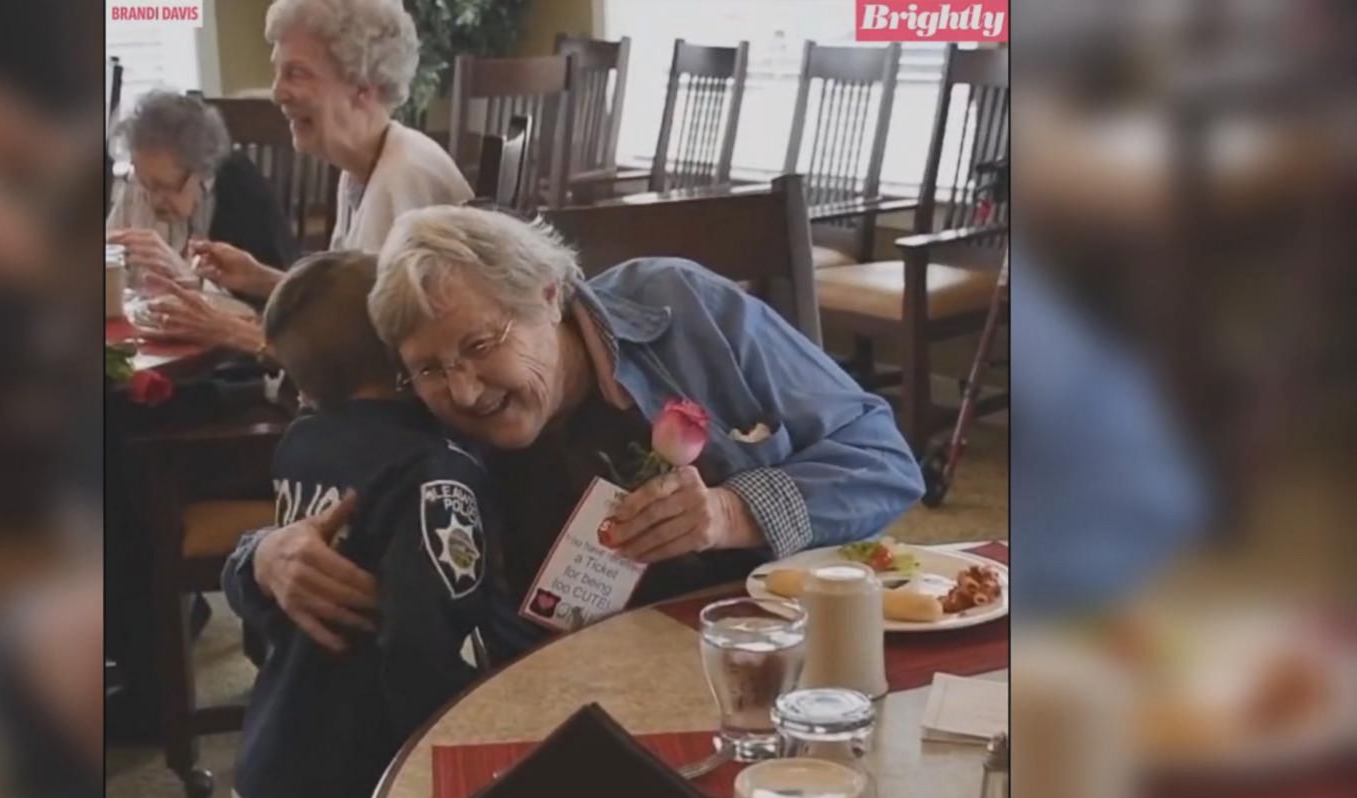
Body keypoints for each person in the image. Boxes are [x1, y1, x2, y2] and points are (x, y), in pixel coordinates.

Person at [253, 205, 925, 650]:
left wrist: (731, 511)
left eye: (482, 347)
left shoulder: (684, 311)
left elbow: (883, 459)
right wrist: (258, 560)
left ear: (549, 295)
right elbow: (309, 502)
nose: (462, 391)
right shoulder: (411, 414)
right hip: (555, 689)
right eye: (429, 369)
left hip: (769, 655)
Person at [220, 251, 531, 798]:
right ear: (402, 359)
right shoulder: (438, 473)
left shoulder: (301, 440)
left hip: (272, 767)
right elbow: (421, 647)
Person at [171, 0, 473, 324]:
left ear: (363, 87)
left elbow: (376, 354)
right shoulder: (361, 168)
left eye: (296, 74)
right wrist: (260, 279)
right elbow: (351, 306)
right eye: (279, 72)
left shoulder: (407, 176)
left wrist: (232, 332)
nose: (277, 93)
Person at [106, 89, 295, 304]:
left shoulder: (242, 194)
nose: (154, 200)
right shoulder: (139, 181)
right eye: (145, 184)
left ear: (201, 170)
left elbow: (271, 307)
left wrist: (185, 275)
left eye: (165, 187)